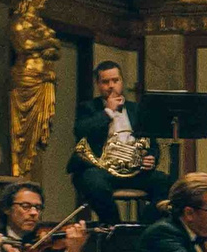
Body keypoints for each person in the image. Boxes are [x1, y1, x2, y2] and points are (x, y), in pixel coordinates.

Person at [70, 61, 170, 222]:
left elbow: (151, 143)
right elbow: (81, 131)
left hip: (135, 170)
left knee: (166, 183)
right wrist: (108, 111)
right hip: (101, 170)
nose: (111, 86)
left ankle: (144, 227)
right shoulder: (87, 108)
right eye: (105, 82)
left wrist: (151, 158)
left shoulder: (136, 109)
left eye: (115, 80)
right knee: (93, 183)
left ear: (122, 82)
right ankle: (115, 227)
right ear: (98, 85)